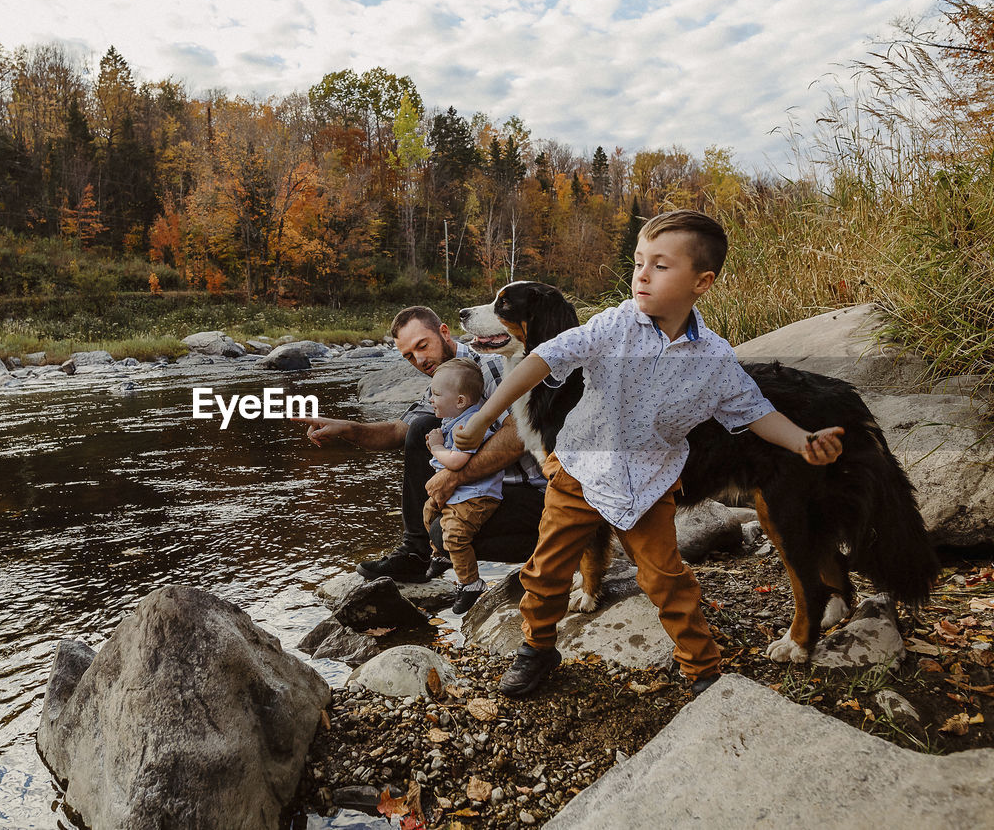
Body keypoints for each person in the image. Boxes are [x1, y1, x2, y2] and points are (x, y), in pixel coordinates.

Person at [455, 209, 845, 699]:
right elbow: (545, 356)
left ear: (702, 282)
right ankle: (538, 648)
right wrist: (482, 413)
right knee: (545, 570)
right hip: (579, 471)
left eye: (660, 265)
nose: (642, 273)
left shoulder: (714, 357)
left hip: (649, 482)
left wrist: (801, 442)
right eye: (639, 261)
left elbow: (755, 410)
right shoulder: (615, 324)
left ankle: (702, 671)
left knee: (669, 580)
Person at [293, 306, 545, 584]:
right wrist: (348, 429)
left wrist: (455, 476)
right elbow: (399, 431)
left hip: (535, 494)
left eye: (423, 346)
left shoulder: (488, 363)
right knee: (421, 427)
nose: (421, 359)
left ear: (444, 332)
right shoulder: (444, 380)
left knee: (443, 534)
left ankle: (562, 544)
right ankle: (415, 554)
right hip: (493, 490)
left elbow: (520, 433)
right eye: (409, 356)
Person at [421, 358, 503, 614]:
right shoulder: (454, 420)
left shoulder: (471, 424)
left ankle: (471, 583)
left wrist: (436, 447)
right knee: (428, 511)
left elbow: (457, 461)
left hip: (475, 497)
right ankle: (442, 554)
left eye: (435, 394)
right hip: (460, 494)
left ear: (460, 401)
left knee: (455, 535)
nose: (430, 399)